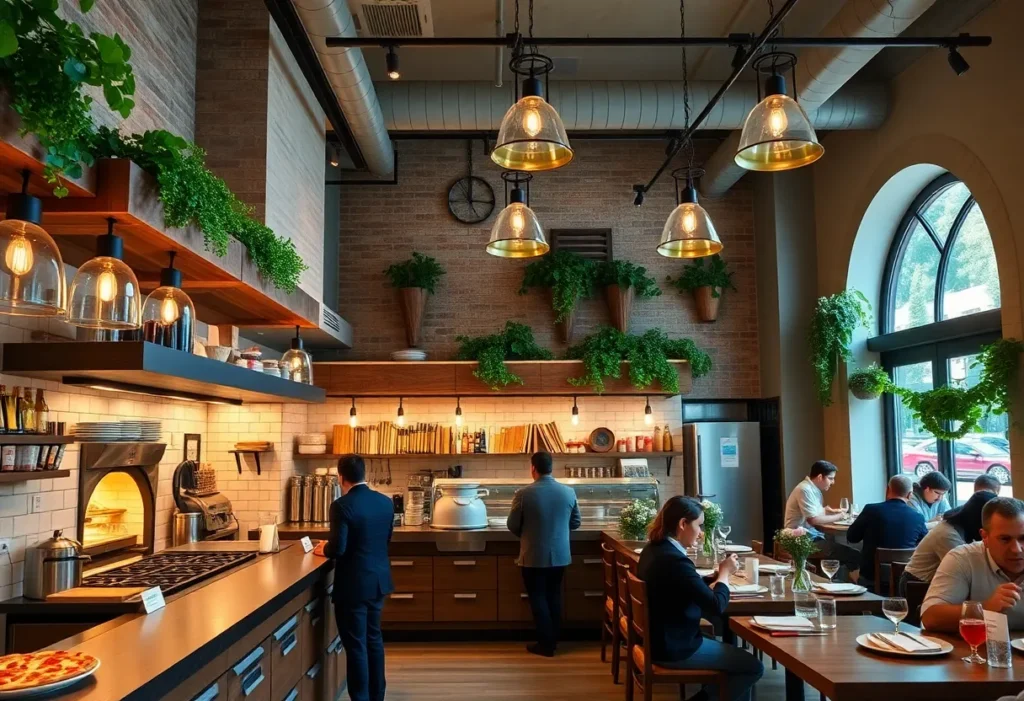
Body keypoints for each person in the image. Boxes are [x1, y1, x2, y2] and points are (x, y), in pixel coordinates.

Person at [637, 496, 763, 701]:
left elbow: (679, 585)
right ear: (683, 524)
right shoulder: (674, 559)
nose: (701, 532)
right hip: (674, 648)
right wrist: (724, 574)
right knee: (752, 667)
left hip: (660, 639)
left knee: (729, 656)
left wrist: (712, 577)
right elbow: (716, 605)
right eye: (699, 525)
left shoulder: (654, 549)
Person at [324, 455, 395, 701]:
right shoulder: (385, 502)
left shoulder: (341, 505)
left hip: (353, 586)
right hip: (378, 581)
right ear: (364, 474)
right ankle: (377, 695)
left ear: (340, 477)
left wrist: (322, 548)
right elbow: (386, 539)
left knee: (356, 646)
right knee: (373, 639)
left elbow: (337, 549)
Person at [506, 451, 582, 657]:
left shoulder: (523, 494)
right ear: (551, 467)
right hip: (560, 555)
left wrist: (528, 533)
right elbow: (576, 522)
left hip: (533, 555)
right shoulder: (568, 492)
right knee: (554, 596)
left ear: (533, 468)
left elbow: (512, 524)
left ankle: (546, 644)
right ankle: (553, 640)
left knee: (538, 597)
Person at [921, 497, 1024, 632]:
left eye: (1023, 538)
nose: (1017, 549)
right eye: (1005, 539)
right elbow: (930, 618)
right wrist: (985, 608)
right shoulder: (964, 558)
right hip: (977, 644)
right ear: (985, 537)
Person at [846, 475, 927, 591]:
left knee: (851, 571)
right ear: (909, 495)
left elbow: (852, 537)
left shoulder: (871, 510)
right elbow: (923, 545)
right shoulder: (918, 517)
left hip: (871, 578)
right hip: (902, 579)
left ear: (887, 489)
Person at [902, 490, 998, 589]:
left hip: (930, 581)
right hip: (917, 584)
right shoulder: (948, 534)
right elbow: (965, 570)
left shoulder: (959, 527)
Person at [782, 460, 859, 575]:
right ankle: (840, 581)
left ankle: (833, 580)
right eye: (830, 478)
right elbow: (813, 520)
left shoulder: (812, 489)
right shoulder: (805, 489)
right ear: (819, 477)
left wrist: (827, 511)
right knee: (854, 555)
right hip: (800, 539)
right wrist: (840, 516)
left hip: (811, 535)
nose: (833, 482)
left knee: (839, 549)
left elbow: (813, 514)